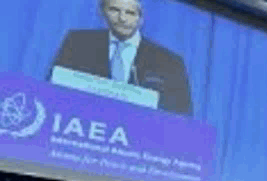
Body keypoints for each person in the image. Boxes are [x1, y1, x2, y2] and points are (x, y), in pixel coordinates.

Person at [49, 0, 192, 115]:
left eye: (130, 13)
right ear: (102, 12)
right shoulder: (78, 42)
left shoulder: (169, 61)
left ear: (141, 19)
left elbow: (182, 116)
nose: (122, 18)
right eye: (114, 10)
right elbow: (51, 89)